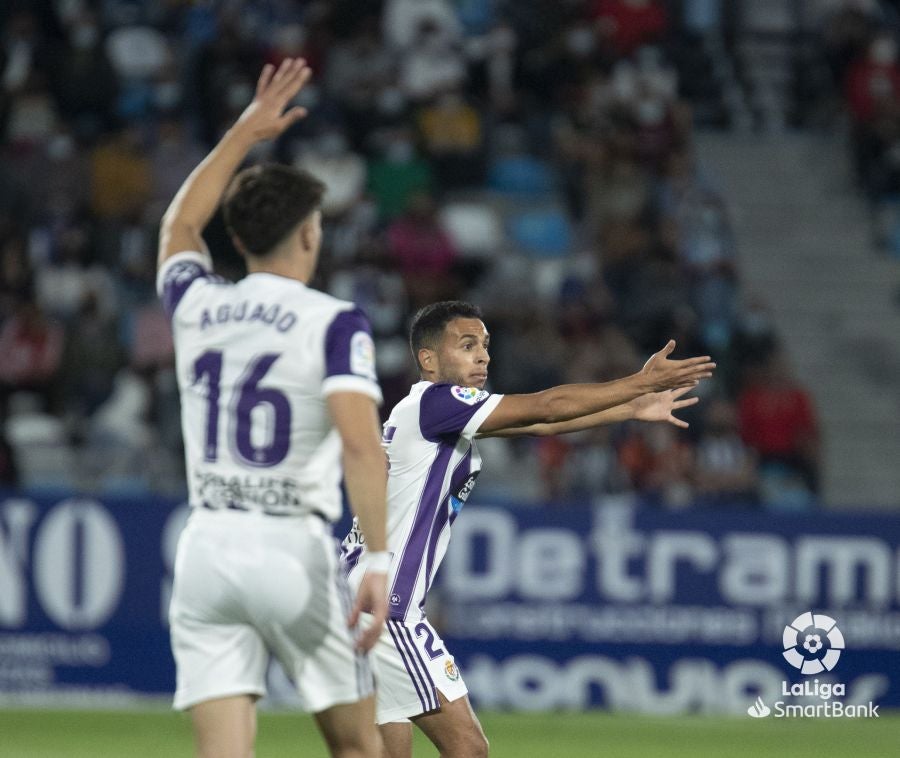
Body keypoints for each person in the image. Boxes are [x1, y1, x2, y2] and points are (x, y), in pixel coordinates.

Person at [340, 300, 715, 757]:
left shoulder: (426, 413)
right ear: (428, 359)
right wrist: (642, 380)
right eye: (467, 345)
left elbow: (539, 423)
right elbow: (548, 405)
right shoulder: (438, 402)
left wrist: (630, 408)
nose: (483, 356)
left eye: (485, 345)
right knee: (469, 748)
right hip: (389, 605)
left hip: (361, 594)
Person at [157, 58, 389, 758]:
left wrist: (241, 135)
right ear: (311, 235)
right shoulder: (333, 321)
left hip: (205, 544)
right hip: (291, 549)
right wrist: (377, 557)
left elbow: (178, 229)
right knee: (358, 747)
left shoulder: (198, 305)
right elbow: (359, 445)